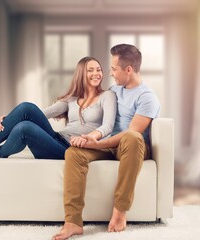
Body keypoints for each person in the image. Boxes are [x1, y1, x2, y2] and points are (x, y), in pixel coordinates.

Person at [52, 44, 160, 240]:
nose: (109, 73)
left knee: (132, 137)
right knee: (73, 153)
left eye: (114, 69)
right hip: (108, 145)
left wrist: (96, 143)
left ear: (128, 70)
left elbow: (133, 132)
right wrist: (70, 112)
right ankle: (73, 222)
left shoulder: (147, 97)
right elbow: (100, 113)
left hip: (132, 148)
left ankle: (120, 211)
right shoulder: (114, 90)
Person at [0, 57, 117, 160]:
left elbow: (107, 126)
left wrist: (89, 137)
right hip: (56, 139)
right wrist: (7, 118)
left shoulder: (107, 96)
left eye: (99, 70)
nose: (97, 73)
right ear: (81, 74)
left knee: (24, 129)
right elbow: (37, 114)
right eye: (91, 70)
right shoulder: (72, 99)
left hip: (70, 150)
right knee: (26, 108)